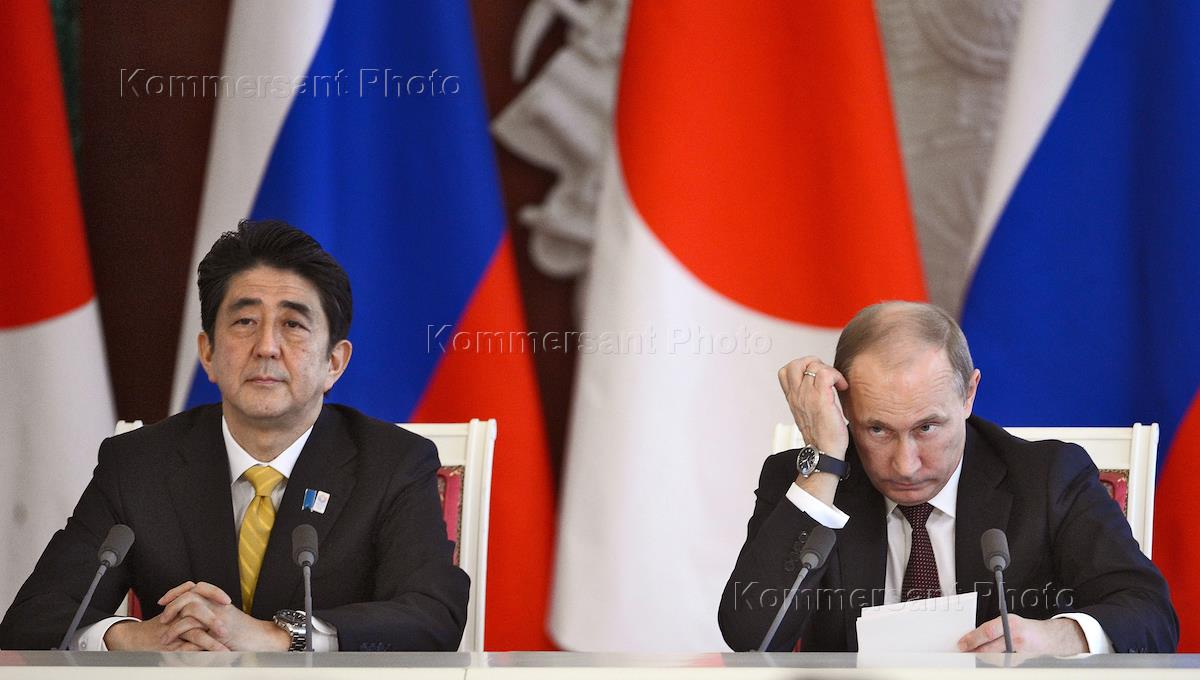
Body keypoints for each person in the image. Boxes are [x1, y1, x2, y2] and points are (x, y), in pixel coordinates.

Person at [0, 220, 469, 652]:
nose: (266, 347)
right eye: (245, 322)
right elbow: (32, 619)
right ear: (207, 353)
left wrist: (279, 636)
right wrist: (134, 637)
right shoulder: (138, 464)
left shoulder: (392, 464)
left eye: (293, 325)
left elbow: (433, 617)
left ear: (334, 362)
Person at [718, 301, 1177, 653]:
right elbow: (751, 636)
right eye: (877, 429)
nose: (905, 464)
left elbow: (1149, 613)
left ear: (969, 394)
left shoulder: (1047, 478)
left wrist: (1057, 637)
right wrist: (823, 465)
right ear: (846, 409)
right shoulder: (807, 482)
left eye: (927, 428)